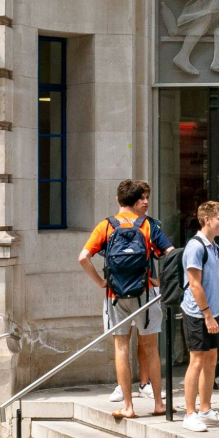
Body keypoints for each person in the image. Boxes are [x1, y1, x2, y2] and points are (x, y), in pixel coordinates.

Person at [80, 179, 173, 420]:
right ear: (136, 200)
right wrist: (160, 280)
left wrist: (101, 282)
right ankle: (159, 403)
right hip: (146, 294)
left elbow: (83, 257)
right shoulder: (148, 226)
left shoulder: (106, 226)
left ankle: (129, 406)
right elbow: (171, 254)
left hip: (115, 295)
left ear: (118, 200)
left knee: (121, 347)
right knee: (151, 349)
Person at [181, 201, 219, 432]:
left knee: (211, 359)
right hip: (198, 313)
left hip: (210, 312)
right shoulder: (196, 246)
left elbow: (209, 283)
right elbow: (194, 285)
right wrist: (207, 315)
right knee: (197, 360)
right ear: (207, 220)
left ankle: (205, 409)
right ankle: (190, 413)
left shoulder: (212, 246)